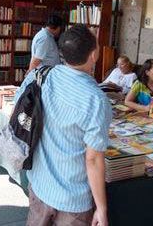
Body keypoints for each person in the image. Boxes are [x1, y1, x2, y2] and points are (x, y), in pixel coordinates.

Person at [16, 24, 110, 226]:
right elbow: (92, 159)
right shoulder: (96, 100)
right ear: (94, 55)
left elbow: (19, 104)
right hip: (73, 197)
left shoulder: (41, 74)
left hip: (40, 183)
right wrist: (101, 208)